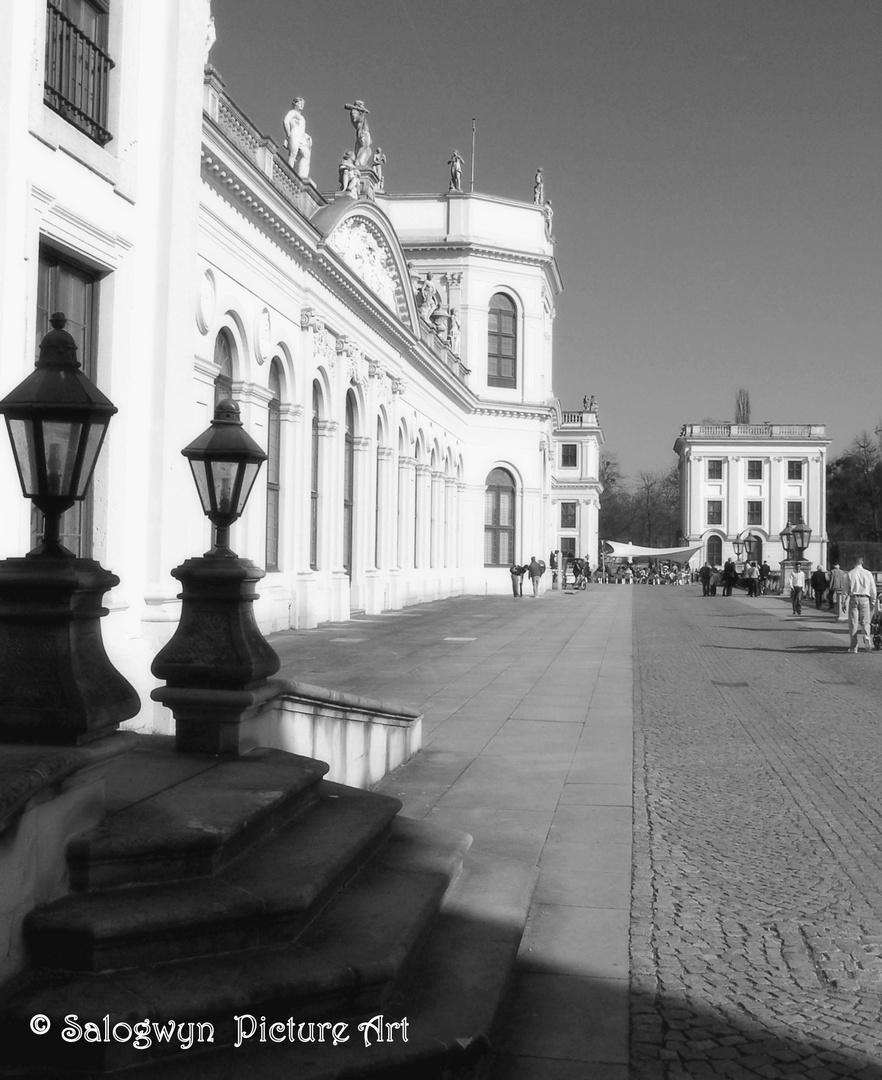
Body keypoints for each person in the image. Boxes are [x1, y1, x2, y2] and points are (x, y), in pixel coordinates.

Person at [846, 556, 877, 652]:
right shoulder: (868, 573)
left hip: (854, 598)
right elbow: (873, 588)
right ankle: (867, 637)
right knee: (865, 621)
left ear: (853, 562)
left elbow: (845, 589)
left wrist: (843, 602)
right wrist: (873, 601)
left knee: (853, 622)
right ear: (862, 562)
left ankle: (853, 647)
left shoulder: (850, 573)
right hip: (865, 598)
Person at [283, 97, 312, 179]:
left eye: (302, 104)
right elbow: (286, 121)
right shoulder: (292, 112)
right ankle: (289, 174)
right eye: (299, 103)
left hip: (301, 136)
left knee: (305, 155)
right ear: (295, 104)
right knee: (293, 153)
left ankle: (301, 175)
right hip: (294, 133)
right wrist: (288, 133)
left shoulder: (302, 117)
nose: (301, 105)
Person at [344, 100, 372, 165]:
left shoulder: (356, 111)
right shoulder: (354, 111)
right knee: (365, 148)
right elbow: (356, 120)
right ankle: (359, 163)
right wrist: (362, 113)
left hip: (363, 132)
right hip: (362, 132)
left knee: (367, 149)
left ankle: (360, 163)